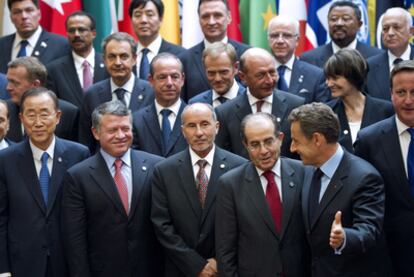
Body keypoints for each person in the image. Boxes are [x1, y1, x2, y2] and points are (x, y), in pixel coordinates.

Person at [62, 101, 163, 277]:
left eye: (125, 128)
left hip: (151, 269)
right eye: (112, 130)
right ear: (95, 132)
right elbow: (75, 240)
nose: (121, 135)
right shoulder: (78, 176)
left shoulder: (157, 166)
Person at [289, 102, 388, 276]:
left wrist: (344, 238)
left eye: (296, 141)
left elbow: (369, 230)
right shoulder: (307, 170)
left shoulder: (364, 177)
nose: (292, 148)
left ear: (317, 139)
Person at [0, 88, 89, 277]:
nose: (38, 123)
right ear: (22, 119)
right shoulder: (5, 160)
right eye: (31, 115)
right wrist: (3, 269)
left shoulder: (79, 154)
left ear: (57, 117)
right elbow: (1, 218)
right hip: (23, 263)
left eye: (44, 114)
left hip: (67, 261)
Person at [151, 103, 247, 276]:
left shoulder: (239, 167)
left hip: (225, 269)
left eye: (204, 124)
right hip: (181, 270)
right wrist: (196, 266)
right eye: (191, 126)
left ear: (216, 127)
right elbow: (162, 225)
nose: (199, 133)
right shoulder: (164, 171)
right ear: (182, 131)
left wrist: (221, 261)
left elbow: (245, 223)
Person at [216, 113, 309, 277]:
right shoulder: (230, 184)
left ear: (280, 138)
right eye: (255, 144)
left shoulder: (304, 172)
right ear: (245, 145)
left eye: (268, 141)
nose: (263, 151)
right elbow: (225, 250)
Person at [354, 60, 414, 276]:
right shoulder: (369, 139)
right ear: (391, 94)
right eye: (401, 92)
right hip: (388, 256)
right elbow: (360, 199)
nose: (408, 100)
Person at [215, 47, 304, 160]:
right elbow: (224, 157)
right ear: (243, 77)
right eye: (261, 75)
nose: (269, 80)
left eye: (272, 72)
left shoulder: (296, 105)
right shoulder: (225, 113)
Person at [79, 32, 154, 152]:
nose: (118, 62)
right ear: (104, 59)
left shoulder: (151, 92)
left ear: (134, 59)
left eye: (124, 56)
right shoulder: (92, 94)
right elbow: (86, 142)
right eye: (112, 57)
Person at [179, 0, 250, 102]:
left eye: (217, 15)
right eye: (205, 16)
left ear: (229, 17)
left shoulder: (248, 55)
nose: (211, 22)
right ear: (199, 19)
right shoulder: (184, 60)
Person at [325, 49, 394, 152]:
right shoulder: (327, 113)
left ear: (353, 76)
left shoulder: (386, 110)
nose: (329, 84)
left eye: (335, 78)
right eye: (327, 78)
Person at [5, 57, 79, 142]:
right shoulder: (4, 111)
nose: (8, 88)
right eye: (9, 81)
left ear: (36, 84)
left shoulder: (69, 113)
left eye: (15, 83)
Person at [46, 11, 109, 108]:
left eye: (82, 29)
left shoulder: (109, 64)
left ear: (93, 33)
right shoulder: (54, 70)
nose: (76, 35)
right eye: (71, 30)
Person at [132, 53, 187, 157]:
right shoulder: (136, 120)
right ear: (151, 80)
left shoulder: (195, 118)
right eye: (162, 77)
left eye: (175, 77)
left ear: (182, 79)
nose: (169, 83)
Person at [300, 1, 382, 68]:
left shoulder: (377, 57)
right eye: (334, 19)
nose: (339, 23)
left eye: (345, 19)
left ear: (359, 25)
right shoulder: (309, 59)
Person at [267, 15, 330, 103]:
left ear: (297, 40)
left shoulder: (316, 75)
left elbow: (322, 113)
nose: (280, 41)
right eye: (274, 35)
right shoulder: (258, 73)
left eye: (286, 35)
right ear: (268, 39)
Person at [0, 0, 70, 73]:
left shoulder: (62, 46)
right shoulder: (1, 45)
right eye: (17, 12)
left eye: (29, 10)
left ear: (39, 14)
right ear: (11, 17)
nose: (24, 16)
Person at [366, 7, 414, 101]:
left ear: (411, 32)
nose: (390, 33)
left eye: (396, 27)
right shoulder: (369, 67)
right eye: (385, 29)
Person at [129, 0, 185, 79]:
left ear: (160, 19)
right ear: (131, 20)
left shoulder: (181, 55)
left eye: (150, 15)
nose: (143, 20)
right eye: (138, 15)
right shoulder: (125, 56)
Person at [188, 42, 245, 107]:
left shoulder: (249, 100)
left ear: (236, 68)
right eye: (211, 73)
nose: (217, 79)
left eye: (224, 72)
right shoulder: (195, 104)